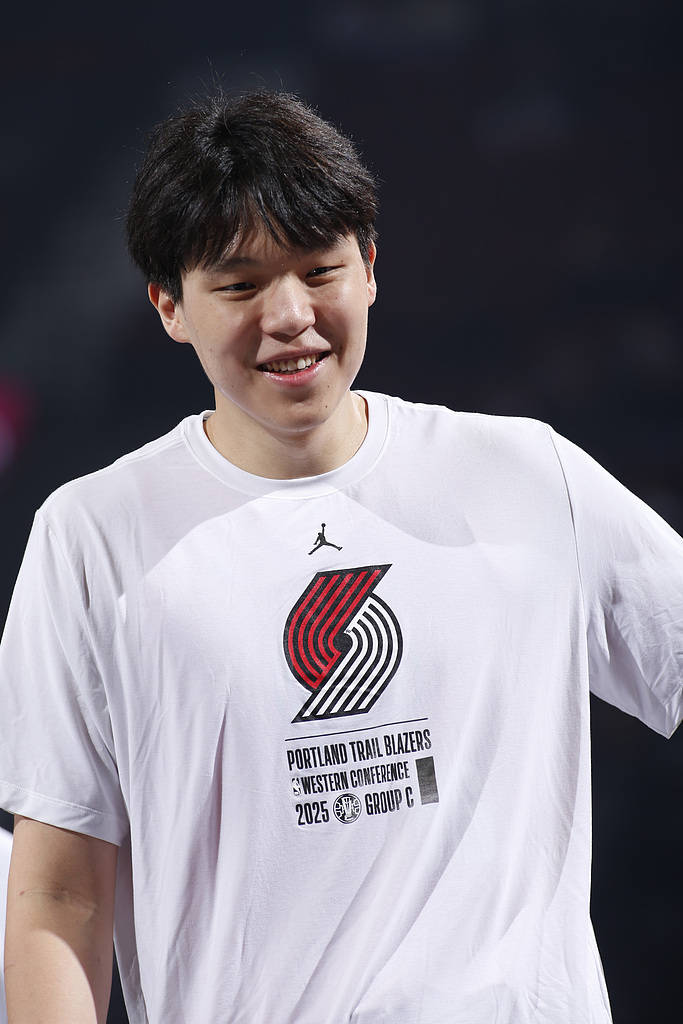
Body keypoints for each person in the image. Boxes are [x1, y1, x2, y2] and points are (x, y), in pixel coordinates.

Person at [0, 89, 681, 1024]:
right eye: (239, 286)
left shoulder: (529, 477)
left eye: (319, 270)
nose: (290, 315)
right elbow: (59, 893)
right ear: (169, 306)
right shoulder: (93, 536)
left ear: (368, 267)